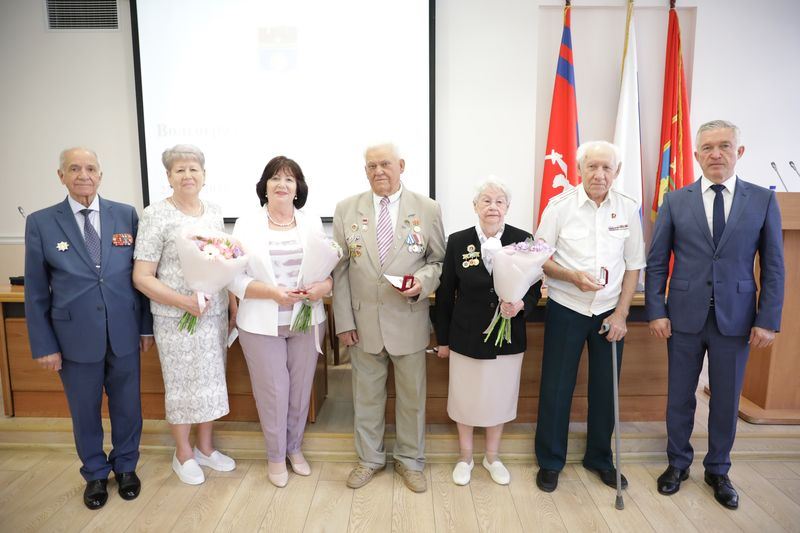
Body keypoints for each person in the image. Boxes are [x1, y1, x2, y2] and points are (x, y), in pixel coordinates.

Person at [646, 120, 784, 510]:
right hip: (683, 317)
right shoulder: (676, 200)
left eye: (724, 146)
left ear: (739, 152)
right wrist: (656, 310)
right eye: (707, 147)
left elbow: (774, 266)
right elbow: (657, 262)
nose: (716, 154)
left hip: (737, 319)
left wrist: (767, 319)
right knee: (679, 397)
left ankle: (718, 469)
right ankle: (677, 464)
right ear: (696, 155)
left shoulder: (762, 200)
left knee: (725, 399)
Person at [24, 147, 153, 510]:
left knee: (128, 406)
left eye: (91, 168)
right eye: (74, 168)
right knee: (84, 410)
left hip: (124, 332)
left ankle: (126, 467)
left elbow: (142, 276)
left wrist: (145, 328)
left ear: (100, 174)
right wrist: (44, 345)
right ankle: (95, 473)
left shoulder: (125, 215)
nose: (84, 175)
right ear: (61, 175)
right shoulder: (41, 222)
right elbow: (36, 291)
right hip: (73, 338)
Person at [332, 142, 445, 493]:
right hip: (363, 323)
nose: (378, 171)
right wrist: (344, 322)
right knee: (366, 397)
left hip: (408, 319)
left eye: (385, 164)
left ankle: (410, 461)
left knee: (412, 398)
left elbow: (438, 261)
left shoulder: (427, 209)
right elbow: (339, 270)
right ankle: (369, 459)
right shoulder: (346, 209)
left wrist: (422, 282)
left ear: (401, 165)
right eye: (371, 166)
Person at [533, 140, 645, 493]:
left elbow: (634, 265)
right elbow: (540, 257)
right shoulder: (559, 206)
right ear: (579, 168)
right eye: (592, 166)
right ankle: (551, 461)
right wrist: (571, 276)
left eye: (606, 167)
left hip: (610, 313)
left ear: (617, 171)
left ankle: (599, 458)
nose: (599, 174)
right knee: (556, 387)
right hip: (567, 307)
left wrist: (622, 314)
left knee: (605, 390)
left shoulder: (628, 208)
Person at [133, 144, 237, 485]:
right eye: (180, 170)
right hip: (175, 319)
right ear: (168, 176)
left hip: (212, 315)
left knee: (211, 382)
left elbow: (222, 263)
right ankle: (183, 454)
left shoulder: (214, 212)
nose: (187, 175)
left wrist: (231, 302)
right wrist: (183, 302)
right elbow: (142, 277)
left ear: (204, 175)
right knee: (181, 386)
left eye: (194, 169)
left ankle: (205, 448)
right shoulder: (155, 215)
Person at [229, 156, 331, 488]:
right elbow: (234, 278)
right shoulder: (246, 224)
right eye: (275, 178)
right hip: (261, 323)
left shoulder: (312, 223)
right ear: (265, 186)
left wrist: (323, 287)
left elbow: (326, 272)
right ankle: (275, 456)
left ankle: (294, 449)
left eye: (289, 179)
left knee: (300, 391)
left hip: (306, 319)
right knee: (273, 392)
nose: (282, 184)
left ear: (298, 188)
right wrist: (272, 293)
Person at [435, 177, 542, 486]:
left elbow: (534, 288)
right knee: (465, 398)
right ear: (475, 206)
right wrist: (443, 340)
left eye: (499, 201)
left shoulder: (523, 240)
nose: (492, 206)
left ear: (507, 207)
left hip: (508, 336)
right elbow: (445, 294)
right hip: (466, 335)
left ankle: (492, 457)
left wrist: (520, 305)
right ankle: (465, 457)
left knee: (499, 397)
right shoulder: (458, 241)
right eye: (486, 200)